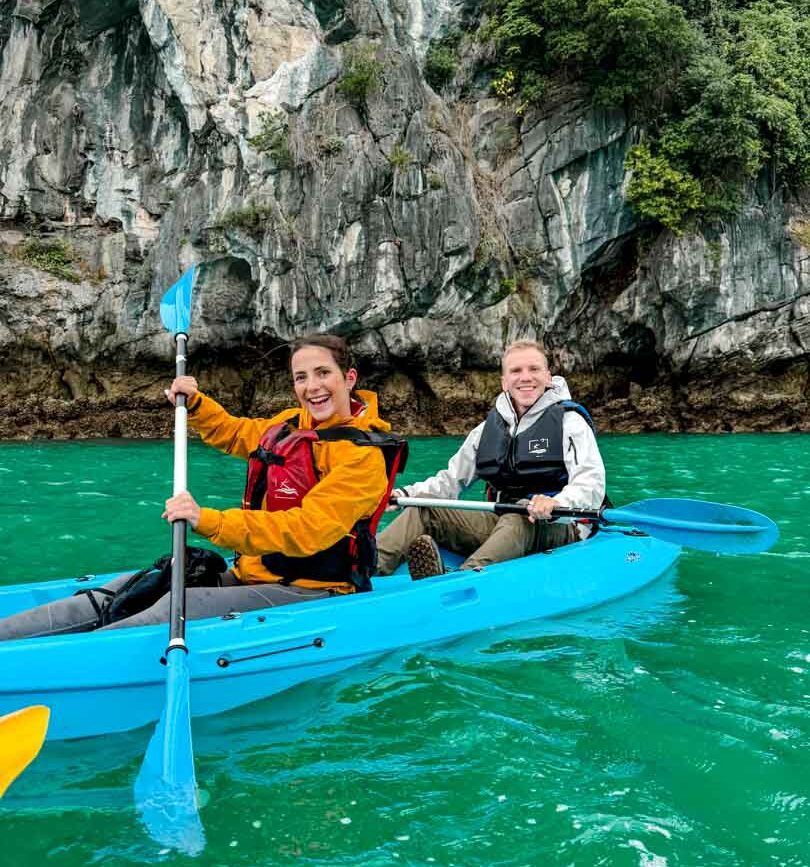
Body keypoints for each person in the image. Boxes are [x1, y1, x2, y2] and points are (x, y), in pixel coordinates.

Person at [0, 334, 405, 640]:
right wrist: (195, 404)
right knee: (137, 585)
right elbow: (236, 433)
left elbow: (306, 531)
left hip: (312, 590)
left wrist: (206, 519)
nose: (312, 387)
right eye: (301, 377)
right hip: (253, 573)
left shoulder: (363, 458)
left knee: (181, 606)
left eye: (323, 374)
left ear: (349, 378)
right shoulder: (292, 423)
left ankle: (70, 666)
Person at [376, 339, 605, 579]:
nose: (525, 377)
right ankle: (362, 571)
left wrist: (558, 503)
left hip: (561, 525)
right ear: (504, 382)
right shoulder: (485, 430)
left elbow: (591, 481)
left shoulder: (570, 422)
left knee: (518, 517)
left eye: (534, 369)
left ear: (548, 377)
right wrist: (405, 494)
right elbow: (450, 481)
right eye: (516, 371)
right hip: (500, 522)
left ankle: (458, 581)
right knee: (423, 510)